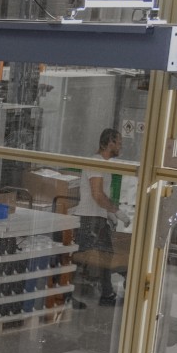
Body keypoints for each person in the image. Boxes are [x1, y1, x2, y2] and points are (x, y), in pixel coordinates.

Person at [69, 129, 124, 307]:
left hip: (97, 218)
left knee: (105, 255)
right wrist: (116, 211)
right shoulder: (96, 162)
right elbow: (97, 195)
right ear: (109, 143)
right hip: (88, 219)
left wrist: (108, 214)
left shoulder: (105, 165)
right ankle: (66, 296)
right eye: (118, 142)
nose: (121, 146)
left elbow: (101, 196)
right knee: (79, 257)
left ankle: (107, 294)